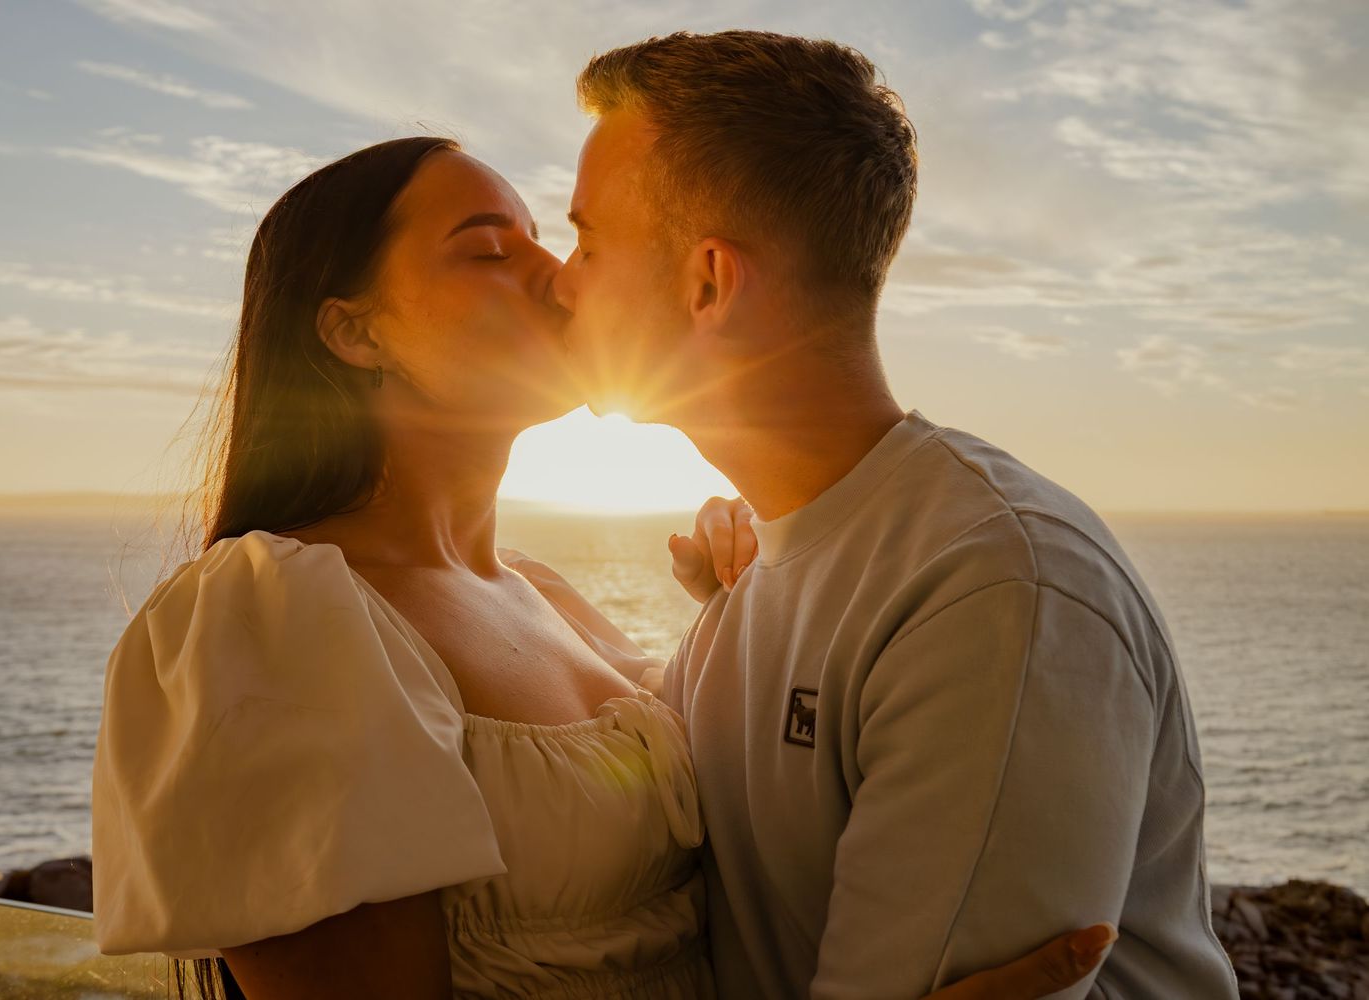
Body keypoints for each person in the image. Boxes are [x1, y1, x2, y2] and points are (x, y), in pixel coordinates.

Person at [90, 137, 1113, 999]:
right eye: (493, 250)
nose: (560, 276)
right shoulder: (277, 617)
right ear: (355, 331)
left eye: (553, 240)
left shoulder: (546, 595)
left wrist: (750, 614)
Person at [551, 29, 1241, 1000]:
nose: (558, 279)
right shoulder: (754, 587)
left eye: (586, 243)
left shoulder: (993, 587)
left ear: (707, 281)